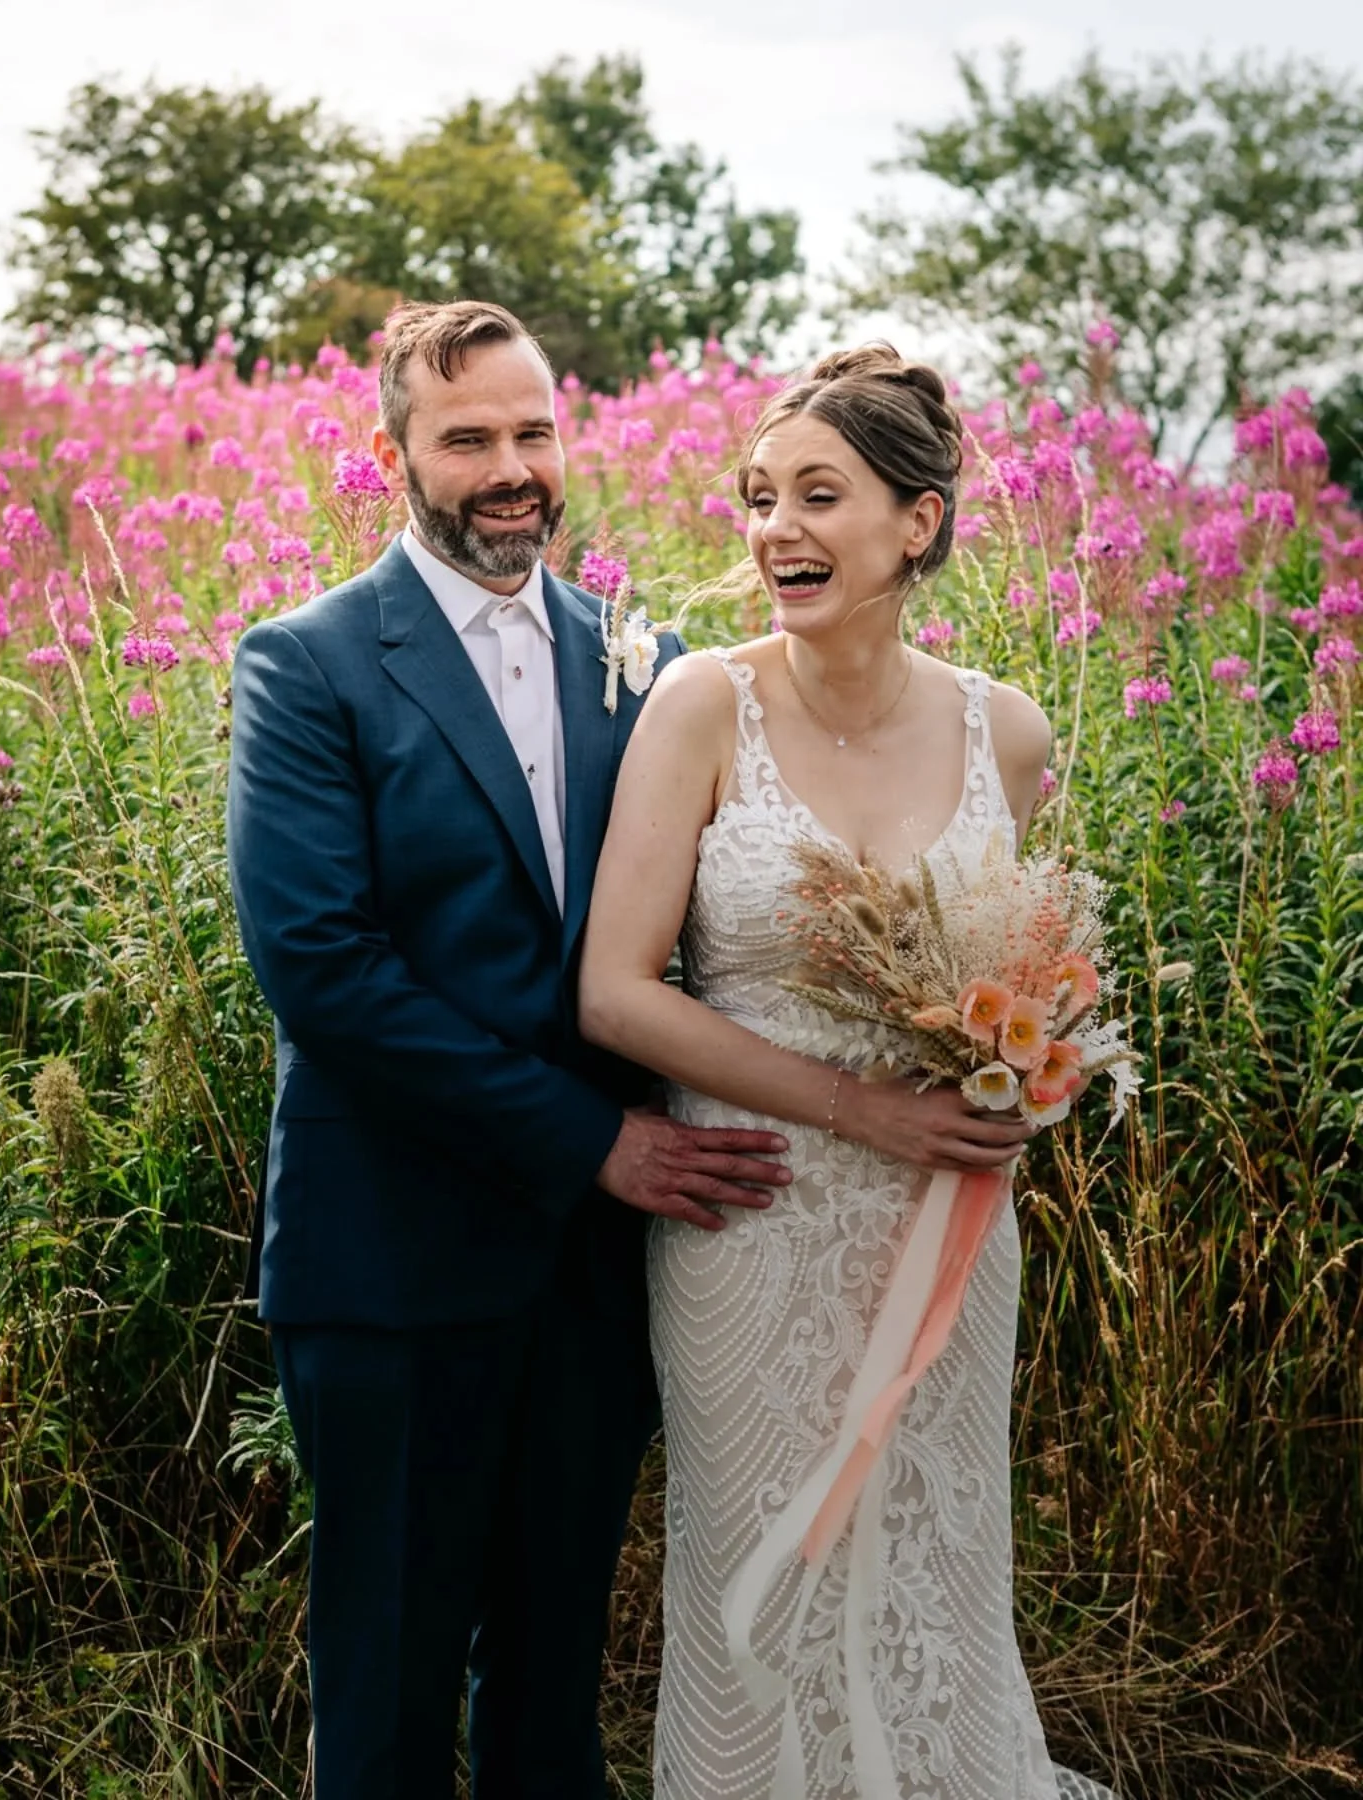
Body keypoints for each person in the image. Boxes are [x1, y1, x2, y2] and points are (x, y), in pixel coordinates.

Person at [225, 298, 792, 1800]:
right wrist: (595, 1138)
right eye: (467, 437)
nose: (510, 467)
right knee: (391, 1690)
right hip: (393, 1262)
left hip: (598, 1275)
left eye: (532, 431)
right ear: (397, 453)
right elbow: (324, 973)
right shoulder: (311, 664)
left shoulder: (647, 659)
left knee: (554, 1684)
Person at [579, 345, 1115, 1800]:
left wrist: (1023, 1080)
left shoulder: (1006, 731)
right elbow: (617, 992)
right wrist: (857, 1106)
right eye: (760, 499)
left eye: (822, 496)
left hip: (941, 1227)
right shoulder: (701, 706)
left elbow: (1028, 972)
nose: (777, 532)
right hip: (750, 1214)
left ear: (918, 522)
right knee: (760, 1559)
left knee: (939, 1553)